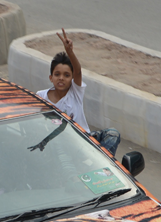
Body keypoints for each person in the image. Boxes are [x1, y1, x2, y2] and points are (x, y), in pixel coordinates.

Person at [36, 29, 121, 157]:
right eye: (57, 74)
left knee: (113, 134)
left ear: (72, 79)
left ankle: (101, 162)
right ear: (50, 78)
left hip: (84, 140)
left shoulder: (75, 92)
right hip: (60, 145)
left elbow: (78, 72)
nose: (61, 78)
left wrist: (70, 52)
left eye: (66, 75)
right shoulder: (41, 97)